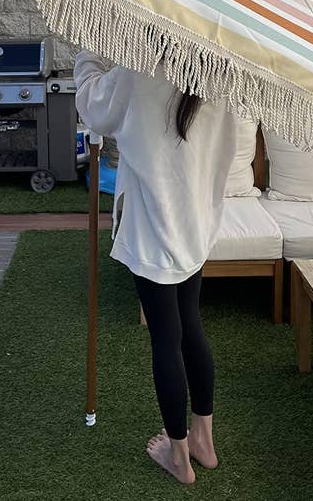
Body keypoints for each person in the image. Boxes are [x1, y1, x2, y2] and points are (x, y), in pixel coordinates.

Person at [73, 50, 238, 485]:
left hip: (151, 224)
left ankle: (179, 457)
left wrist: (89, 55)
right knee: (190, 326)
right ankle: (203, 439)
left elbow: (94, 107)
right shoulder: (220, 70)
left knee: (166, 336)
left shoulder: (139, 69)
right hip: (195, 223)